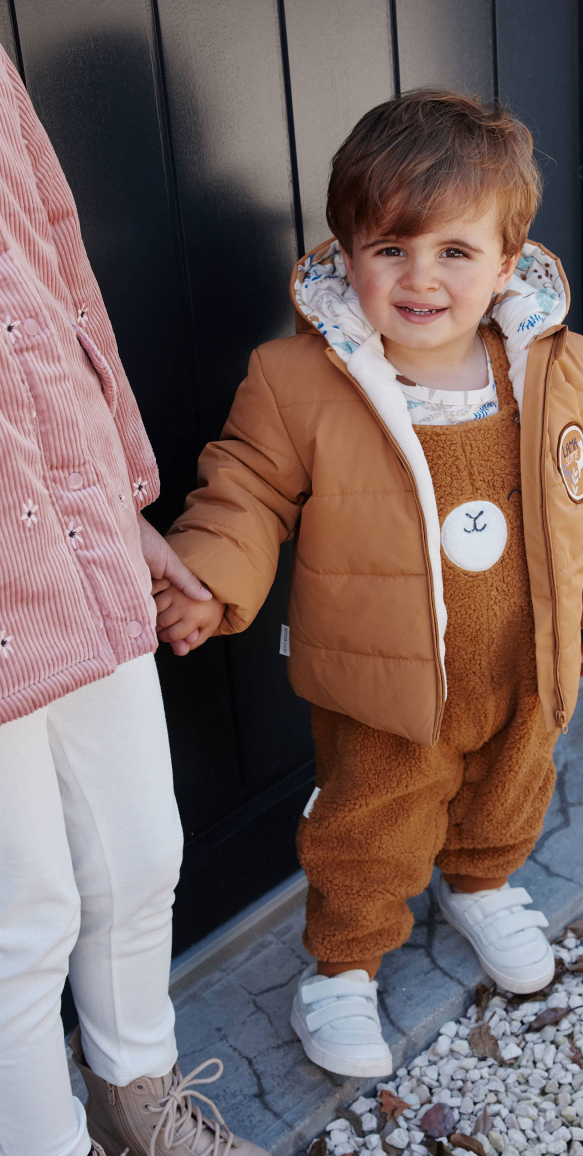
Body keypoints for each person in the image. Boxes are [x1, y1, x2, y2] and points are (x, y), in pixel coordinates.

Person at [158, 90, 583, 1079]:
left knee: (513, 783)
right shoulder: (301, 380)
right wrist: (211, 576)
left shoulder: (555, 367)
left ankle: (479, 883)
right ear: (346, 252)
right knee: (369, 822)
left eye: (453, 252)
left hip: (527, 656)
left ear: (506, 263)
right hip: (385, 681)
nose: (419, 277)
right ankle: (339, 968)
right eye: (389, 248)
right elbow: (246, 488)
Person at [0, 44, 268, 1156]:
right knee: (21, 921)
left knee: (141, 844)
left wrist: (123, 498)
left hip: (76, 538)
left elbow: (60, 269)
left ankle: (135, 1102)